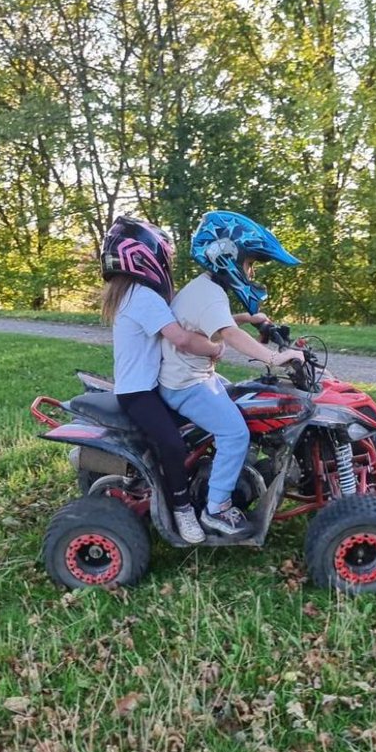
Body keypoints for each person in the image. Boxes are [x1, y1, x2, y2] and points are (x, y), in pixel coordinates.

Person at [159, 211, 306, 537]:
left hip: (193, 377)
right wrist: (276, 357)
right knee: (235, 433)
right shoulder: (209, 295)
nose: (250, 272)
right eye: (249, 263)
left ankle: (241, 467)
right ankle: (217, 508)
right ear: (227, 256)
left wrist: (250, 319)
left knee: (249, 401)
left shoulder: (206, 289)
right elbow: (226, 333)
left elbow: (215, 322)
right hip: (186, 385)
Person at [100, 215, 223, 545]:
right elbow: (181, 339)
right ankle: (183, 509)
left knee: (206, 415)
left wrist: (233, 322)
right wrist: (215, 347)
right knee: (172, 443)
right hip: (139, 394)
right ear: (147, 257)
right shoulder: (142, 297)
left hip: (149, 387)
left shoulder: (134, 294)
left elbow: (186, 324)